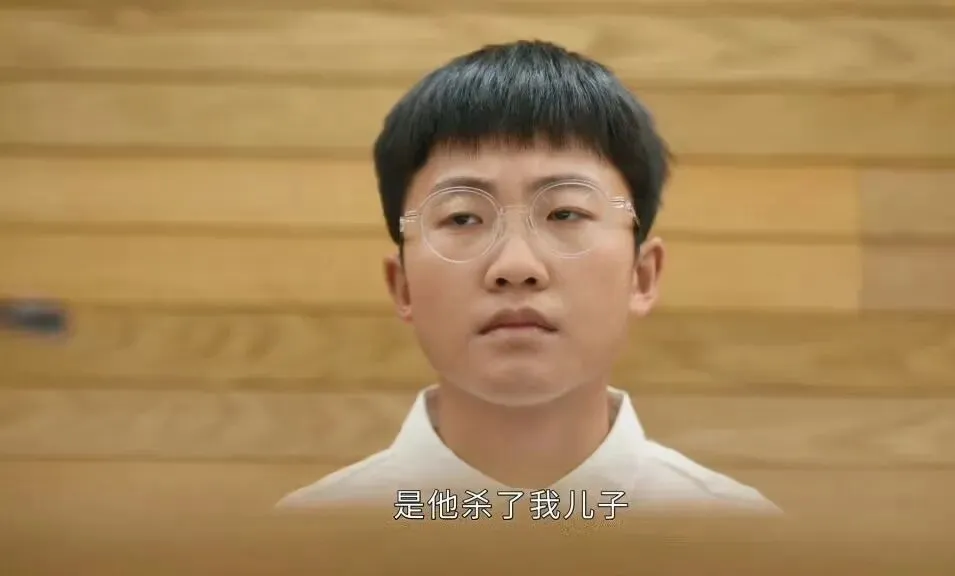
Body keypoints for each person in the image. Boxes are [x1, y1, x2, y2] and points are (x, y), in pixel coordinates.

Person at [278, 40, 777, 515]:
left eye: (565, 214)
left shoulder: (745, 540)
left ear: (641, 276)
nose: (516, 267)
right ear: (402, 286)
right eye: (462, 217)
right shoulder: (300, 543)